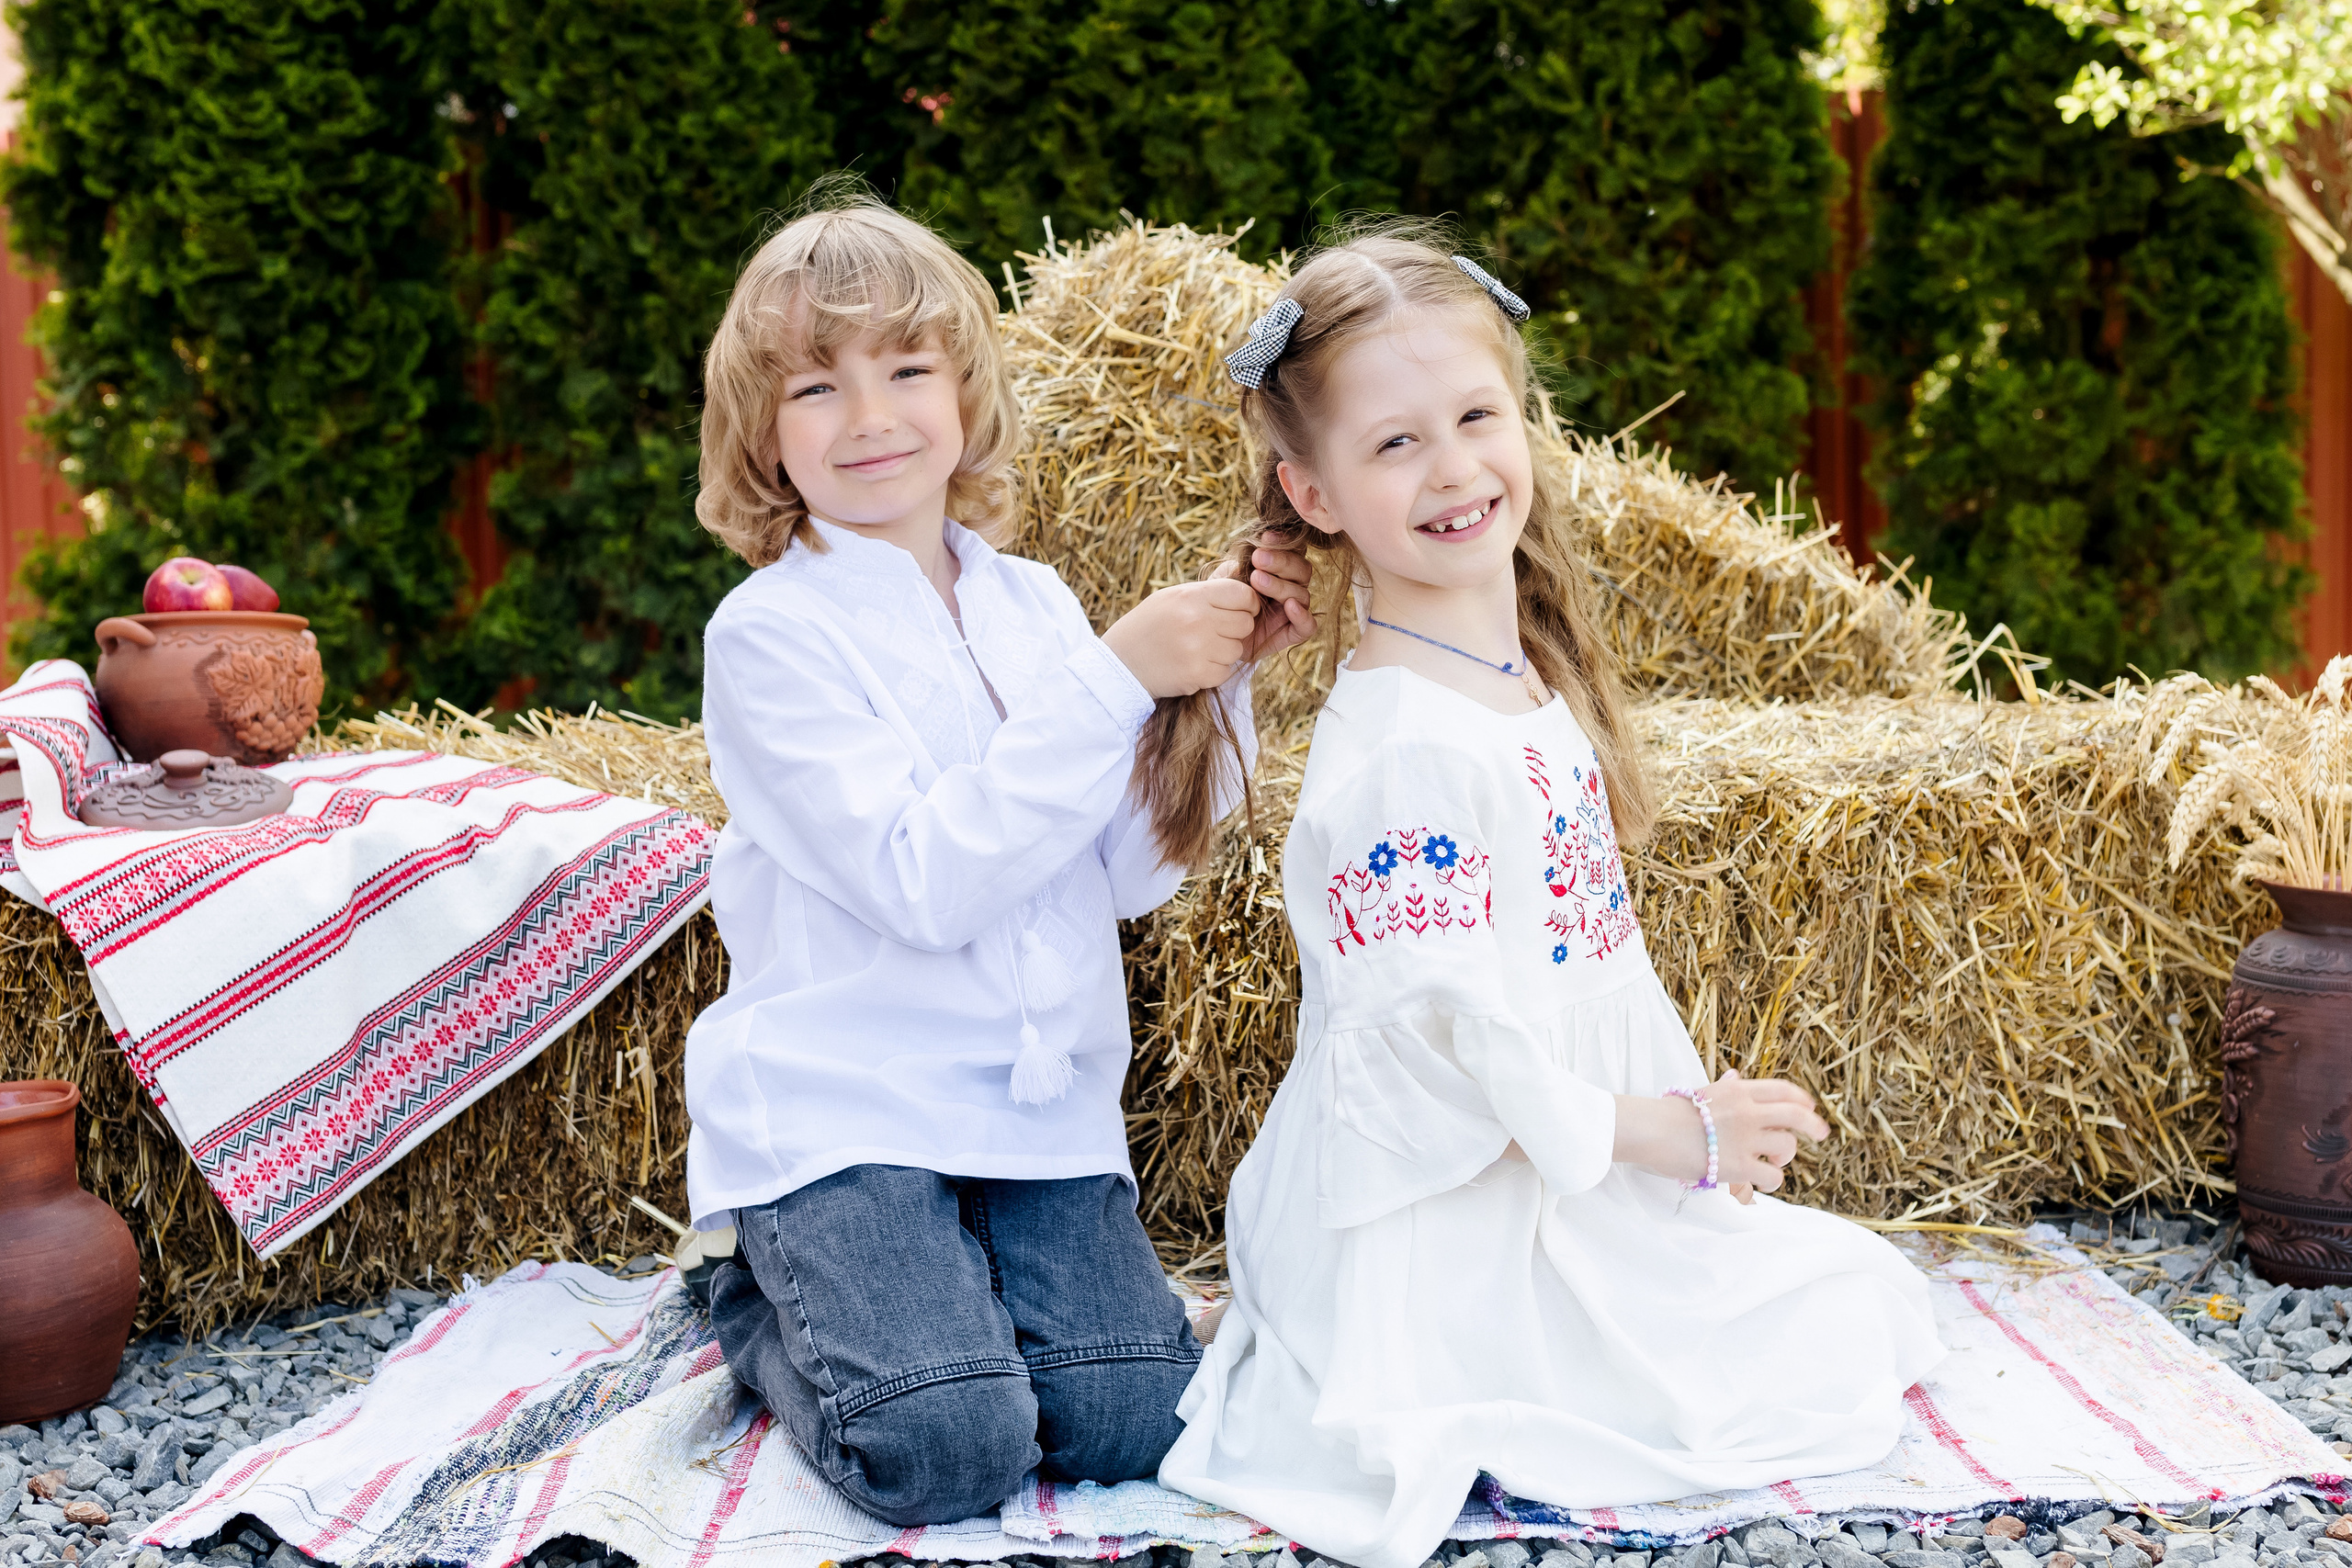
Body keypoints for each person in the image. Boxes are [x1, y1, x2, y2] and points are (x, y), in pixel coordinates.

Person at [1148, 229, 1946, 1568]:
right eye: (1394, 444)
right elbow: (1444, 1056)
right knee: (1814, 1344)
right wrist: (1674, 1134)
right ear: (1317, 492)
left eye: (1476, 416)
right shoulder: (1407, 753)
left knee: (1858, 1299)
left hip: (1569, 1170)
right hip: (1462, 1218)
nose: (1454, 468)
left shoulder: (1509, 685)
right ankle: (1346, 1334)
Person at [682, 192, 1316, 1528]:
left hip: (1032, 1114)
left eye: (908, 371)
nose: (870, 418)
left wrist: (1217, 694)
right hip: (850, 1108)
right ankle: (755, 1296)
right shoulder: (769, 638)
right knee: (947, 1449)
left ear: (966, 395)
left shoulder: (1036, 611)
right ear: (761, 430)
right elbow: (927, 881)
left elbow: (1132, 873)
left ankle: (941, 1288)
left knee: (1131, 1427)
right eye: (817, 386)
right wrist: (1115, 681)